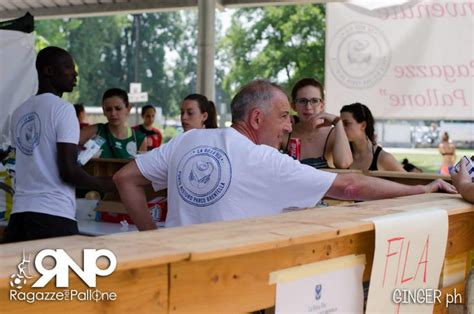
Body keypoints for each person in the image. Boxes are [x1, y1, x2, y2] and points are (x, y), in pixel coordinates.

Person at [112, 80, 455, 231]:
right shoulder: (264, 160)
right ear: (257, 119)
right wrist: (420, 190)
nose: (289, 127)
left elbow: (125, 179)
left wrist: (151, 234)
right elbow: (350, 187)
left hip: (171, 271)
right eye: (283, 117)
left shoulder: (187, 141)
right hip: (233, 285)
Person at [5, 46, 116, 243]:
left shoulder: (19, 112)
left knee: (20, 274)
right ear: (48, 71)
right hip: (52, 217)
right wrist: (108, 184)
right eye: (67, 67)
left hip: (19, 217)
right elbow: (68, 172)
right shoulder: (63, 110)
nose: (74, 73)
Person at [282, 78, 352, 169]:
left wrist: (337, 122)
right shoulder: (286, 133)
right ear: (293, 106)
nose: (308, 107)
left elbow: (344, 163)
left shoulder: (334, 133)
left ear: (322, 105)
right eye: (302, 101)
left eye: (314, 101)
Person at [80, 88, 147, 159]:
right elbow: (69, 148)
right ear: (104, 111)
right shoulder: (94, 131)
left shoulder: (139, 139)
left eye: (118, 108)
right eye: (108, 109)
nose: (113, 113)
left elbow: (142, 169)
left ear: (128, 108)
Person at [340, 103, 405, 172]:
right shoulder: (340, 155)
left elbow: (409, 180)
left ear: (363, 125)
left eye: (346, 123)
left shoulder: (383, 158)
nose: (341, 128)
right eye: (340, 124)